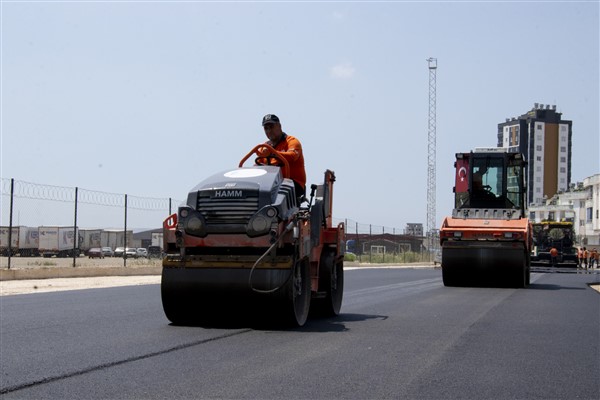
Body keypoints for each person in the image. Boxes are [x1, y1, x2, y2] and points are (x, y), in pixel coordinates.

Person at [258, 114, 306, 199]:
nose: (269, 131)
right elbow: (258, 165)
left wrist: (273, 153)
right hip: (271, 184)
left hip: (292, 183)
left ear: (279, 126)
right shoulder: (264, 147)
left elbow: (292, 156)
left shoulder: (292, 141)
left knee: (277, 193)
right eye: (266, 128)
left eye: (271, 127)